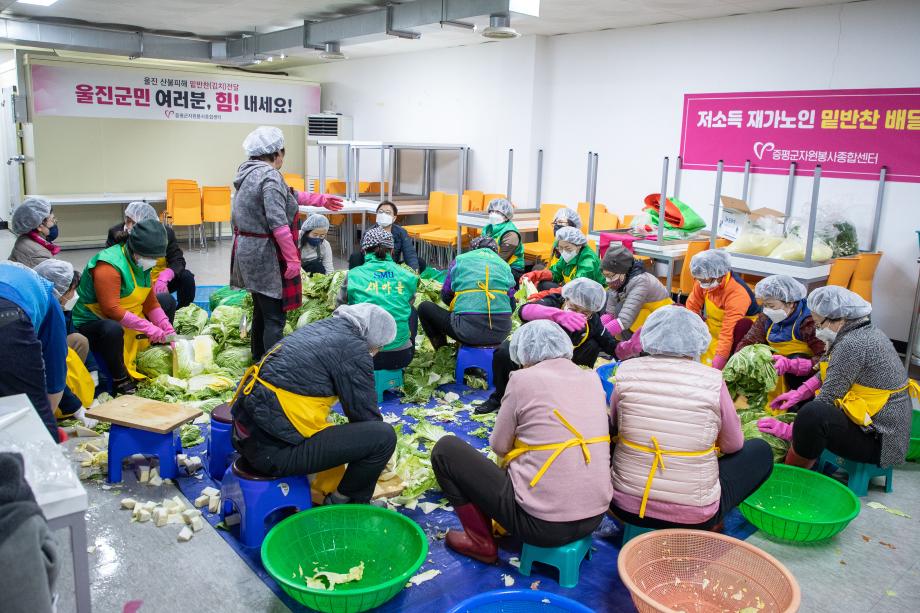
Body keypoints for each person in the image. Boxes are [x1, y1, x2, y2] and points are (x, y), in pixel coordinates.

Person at [432, 320, 612, 562]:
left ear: (523, 353)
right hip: (595, 517)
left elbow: (499, 446)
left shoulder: (522, 379)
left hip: (541, 525)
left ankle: (480, 541)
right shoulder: (591, 379)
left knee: (446, 449)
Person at [609, 305, 773, 529]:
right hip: (693, 516)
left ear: (648, 335)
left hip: (624, 505)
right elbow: (733, 445)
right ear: (698, 340)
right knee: (760, 451)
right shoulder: (713, 379)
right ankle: (713, 524)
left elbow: (615, 427)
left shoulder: (626, 371)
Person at [230, 304, 398, 505]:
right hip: (271, 453)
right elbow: (366, 418)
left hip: (244, 433)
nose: (377, 351)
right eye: (380, 346)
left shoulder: (321, 328)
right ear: (374, 337)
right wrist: (381, 462)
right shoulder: (353, 349)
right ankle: (346, 503)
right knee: (383, 438)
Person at [758, 286, 912, 470]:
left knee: (812, 415)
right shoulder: (858, 331)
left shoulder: (853, 344)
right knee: (810, 411)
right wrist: (799, 393)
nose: (817, 330)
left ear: (839, 319)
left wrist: (792, 431)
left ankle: (792, 476)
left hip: (881, 440)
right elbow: (830, 370)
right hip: (871, 423)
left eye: (818, 324)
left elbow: (828, 398)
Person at [230, 126, 343, 361]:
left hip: (248, 252)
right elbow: (278, 225)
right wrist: (293, 259)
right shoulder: (269, 175)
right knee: (274, 317)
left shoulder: (248, 172)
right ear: (276, 153)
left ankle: (258, 358)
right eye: (283, 152)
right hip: (264, 255)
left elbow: (288, 193)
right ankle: (272, 367)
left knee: (262, 309)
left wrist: (320, 199)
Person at [476, 277, 621, 415]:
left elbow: (609, 343)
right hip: (534, 350)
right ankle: (499, 398)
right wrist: (558, 315)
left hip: (561, 363)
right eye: (574, 308)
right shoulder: (554, 302)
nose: (579, 314)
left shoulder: (592, 320)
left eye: (585, 312)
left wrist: (628, 348)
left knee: (593, 344)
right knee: (503, 353)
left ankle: (565, 398)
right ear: (566, 299)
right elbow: (524, 311)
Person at [71, 219, 174, 395]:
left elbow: (150, 301)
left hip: (128, 312)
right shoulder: (108, 265)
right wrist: (148, 327)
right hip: (95, 320)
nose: (154, 261)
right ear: (136, 250)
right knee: (112, 329)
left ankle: (150, 357)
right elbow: (110, 309)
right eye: (151, 257)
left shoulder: (142, 263)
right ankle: (120, 379)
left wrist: (164, 325)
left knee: (167, 301)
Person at [0, 263, 67, 441]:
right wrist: (46, 424)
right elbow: (55, 371)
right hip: (6, 316)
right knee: (31, 423)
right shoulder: (49, 299)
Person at [337, 227, 419, 370]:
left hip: (362, 357)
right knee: (411, 311)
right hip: (400, 356)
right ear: (392, 251)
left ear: (364, 251)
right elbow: (409, 301)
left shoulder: (354, 275)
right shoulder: (408, 276)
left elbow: (339, 308)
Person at [736, 275, 825, 401]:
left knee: (797, 357)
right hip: (774, 367)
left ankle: (799, 402)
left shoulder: (809, 322)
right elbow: (749, 340)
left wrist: (794, 364)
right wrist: (743, 359)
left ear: (790, 303)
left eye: (771, 306)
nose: (767, 310)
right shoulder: (766, 316)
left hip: (802, 376)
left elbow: (824, 358)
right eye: (764, 305)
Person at [418, 236, 515, 350]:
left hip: (467, 332)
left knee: (424, 308)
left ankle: (442, 349)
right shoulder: (504, 265)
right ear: (495, 252)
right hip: (501, 332)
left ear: (472, 249)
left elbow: (445, 295)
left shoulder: (460, 260)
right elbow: (511, 305)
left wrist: (466, 303)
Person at [106, 201, 195, 321]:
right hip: (133, 283)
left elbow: (178, 260)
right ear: (129, 222)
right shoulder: (116, 234)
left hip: (160, 282)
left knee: (186, 277)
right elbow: (114, 268)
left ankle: (181, 314)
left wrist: (166, 276)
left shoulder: (164, 233)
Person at [33, 259, 97, 425]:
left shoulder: (60, 308)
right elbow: (52, 366)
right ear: (59, 290)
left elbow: (72, 334)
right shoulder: (46, 314)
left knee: (78, 341)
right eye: (73, 290)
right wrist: (75, 407)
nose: (74, 295)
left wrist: (93, 370)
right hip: (33, 369)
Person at [684, 249, 760, 369]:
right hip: (713, 326)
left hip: (735, 332)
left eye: (705, 280)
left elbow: (728, 331)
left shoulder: (737, 293)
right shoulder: (703, 279)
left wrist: (719, 361)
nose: (701, 283)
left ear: (719, 275)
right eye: (698, 279)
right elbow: (691, 309)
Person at [599, 245, 672, 339]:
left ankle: (634, 349)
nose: (607, 280)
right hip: (642, 311)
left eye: (610, 276)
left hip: (660, 319)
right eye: (606, 276)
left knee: (620, 308)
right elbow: (610, 313)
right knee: (608, 294)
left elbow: (625, 320)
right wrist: (597, 327)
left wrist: (600, 335)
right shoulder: (619, 280)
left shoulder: (641, 281)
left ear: (622, 271)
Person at [521, 226, 604, 297]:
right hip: (570, 288)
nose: (563, 252)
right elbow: (556, 273)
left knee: (549, 297)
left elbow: (576, 288)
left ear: (579, 245)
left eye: (567, 248)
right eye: (560, 248)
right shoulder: (568, 254)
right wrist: (537, 275)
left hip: (588, 295)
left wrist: (547, 293)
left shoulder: (588, 262)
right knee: (542, 283)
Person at [348, 201, 424, 272]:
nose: (383, 215)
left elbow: (410, 253)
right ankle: (355, 278)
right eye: (380, 212)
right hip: (371, 267)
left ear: (394, 218)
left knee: (419, 262)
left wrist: (414, 272)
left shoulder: (401, 232)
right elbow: (363, 254)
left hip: (393, 267)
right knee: (355, 257)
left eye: (388, 213)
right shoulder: (369, 232)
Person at [8, 197, 60, 268]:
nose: (55, 223)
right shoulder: (39, 254)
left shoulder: (25, 238)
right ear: (39, 226)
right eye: (53, 220)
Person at [481, 198, 524, 281]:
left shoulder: (511, 234)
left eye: (497, 212)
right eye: (491, 211)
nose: (493, 214)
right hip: (492, 262)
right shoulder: (488, 228)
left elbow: (501, 260)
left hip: (511, 268)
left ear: (506, 216)